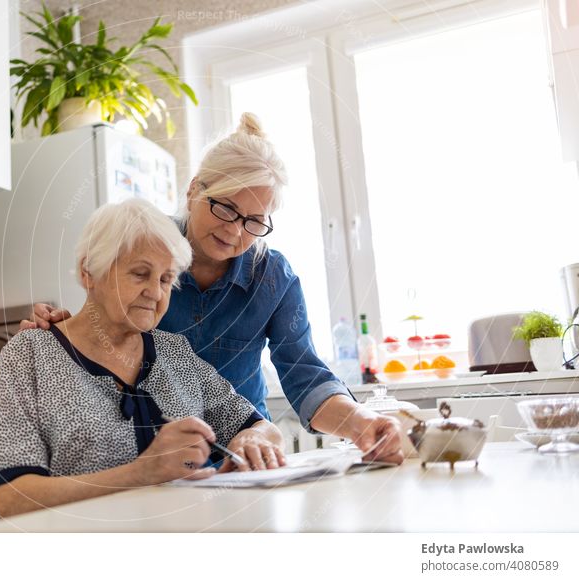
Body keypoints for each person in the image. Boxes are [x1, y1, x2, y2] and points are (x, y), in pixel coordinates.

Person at [23, 112, 403, 465]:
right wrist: (61, 334)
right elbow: (103, 333)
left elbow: (305, 374)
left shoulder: (272, 278)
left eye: (255, 221)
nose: (235, 231)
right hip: (151, 462)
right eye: (224, 208)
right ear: (193, 191)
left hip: (243, 457)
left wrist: (361, 423)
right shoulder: (146, 248)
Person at [0, 199, 285, 517]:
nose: (156, 292)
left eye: (165, 279)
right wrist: (141, 473)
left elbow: (261, 426)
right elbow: (12, 498)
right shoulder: (30, 354)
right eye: (140, 274)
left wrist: (253, 441)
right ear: (89, 273)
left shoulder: (175, 353)